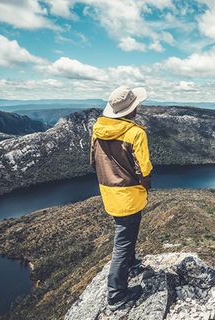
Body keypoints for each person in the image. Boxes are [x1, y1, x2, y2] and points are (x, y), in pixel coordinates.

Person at [90, 86, 152, 311]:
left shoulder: (98, 128)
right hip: (129, 194)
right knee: (123, 241)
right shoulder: (136, 133)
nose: (138, 109)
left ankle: (132, 263)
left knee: (128, 231)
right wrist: (145, 186)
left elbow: (93, 161)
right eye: (136, 106)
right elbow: (144, 169)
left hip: (108, 191)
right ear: (130, 110)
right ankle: (116, 294)